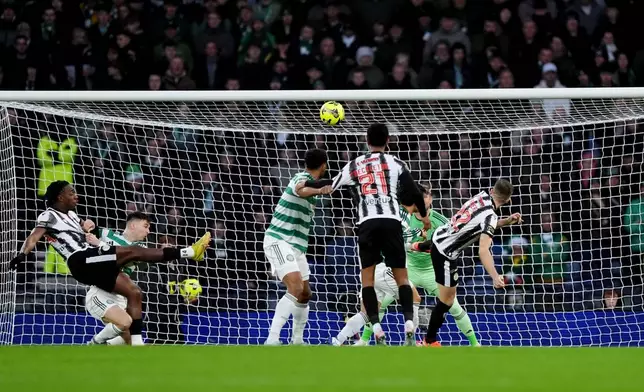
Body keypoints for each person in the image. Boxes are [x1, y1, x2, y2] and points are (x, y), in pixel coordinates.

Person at [10, 181, 210, 346]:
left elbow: (86, 228)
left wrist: (87, 226)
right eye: (71, 192)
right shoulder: (48, 215)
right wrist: (21, 255)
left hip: (95, 261)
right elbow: (34, 237)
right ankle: (190, 251)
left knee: (134, 294)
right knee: (134, 252)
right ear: (59, 197)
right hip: (80, 260)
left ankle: (127, 344)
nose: (76, 195)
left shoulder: (71, 215)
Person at [305, 123, 429, 345]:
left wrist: (309, 184)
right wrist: (425, 216)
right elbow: (413, 192)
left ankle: (377, 328)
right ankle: (409, 322)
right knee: (403, 280)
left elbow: (331, 184)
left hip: (367, 224)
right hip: (391, 222)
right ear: (388, 140)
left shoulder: (355, 164)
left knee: (368, 283)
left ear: (366, 141)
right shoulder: (396, 163)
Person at [358, 183, 480, 346]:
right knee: (383, 301)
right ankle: (365, 340)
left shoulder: (441, 221)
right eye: (419, 197)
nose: (423, 199)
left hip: (432, 271)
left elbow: (453, 240)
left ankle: (475, 344)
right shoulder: (403, 219)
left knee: (454, 306)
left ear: (430, 198)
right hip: (409, 269)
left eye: (425, 196)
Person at [411, 179, 522, 346]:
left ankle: (417, 245)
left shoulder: (480, 197)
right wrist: (494, 276)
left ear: (492, 190)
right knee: (447, 300)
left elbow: (480, 224)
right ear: (508, 200)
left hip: (440, 236)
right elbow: (483, 250)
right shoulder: (490, 216)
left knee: (447, 299)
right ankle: (429, 341)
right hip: (445, 253)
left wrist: (506, 221)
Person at [263, 149, 333, 345]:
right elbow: (301, 188)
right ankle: (272, 338)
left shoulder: (312, 186)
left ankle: (297, 340)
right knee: (295, 287)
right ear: (323, 165)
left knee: (305, 293)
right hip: (279, 239)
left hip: (296, 246)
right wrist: (320, 189)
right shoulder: (300, 177)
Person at [84, 211, 151, 345]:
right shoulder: (106, 234)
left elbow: (122, 257)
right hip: (101, 292)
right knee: (125, 324)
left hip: (121, 297)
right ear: (133, 226)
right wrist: (86, 224)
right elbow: (87, 229)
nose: (148, 231)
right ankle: (94, 343)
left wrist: (100, 245)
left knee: (127, 340)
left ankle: (101, 346)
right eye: (146, 226)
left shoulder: (141, 247)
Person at [331, 262, 421, 346]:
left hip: (367, 272)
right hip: (384, 270)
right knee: (414, 298)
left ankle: (337, 340)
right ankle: (411, 340)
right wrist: (413, 246)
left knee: (365, 313)